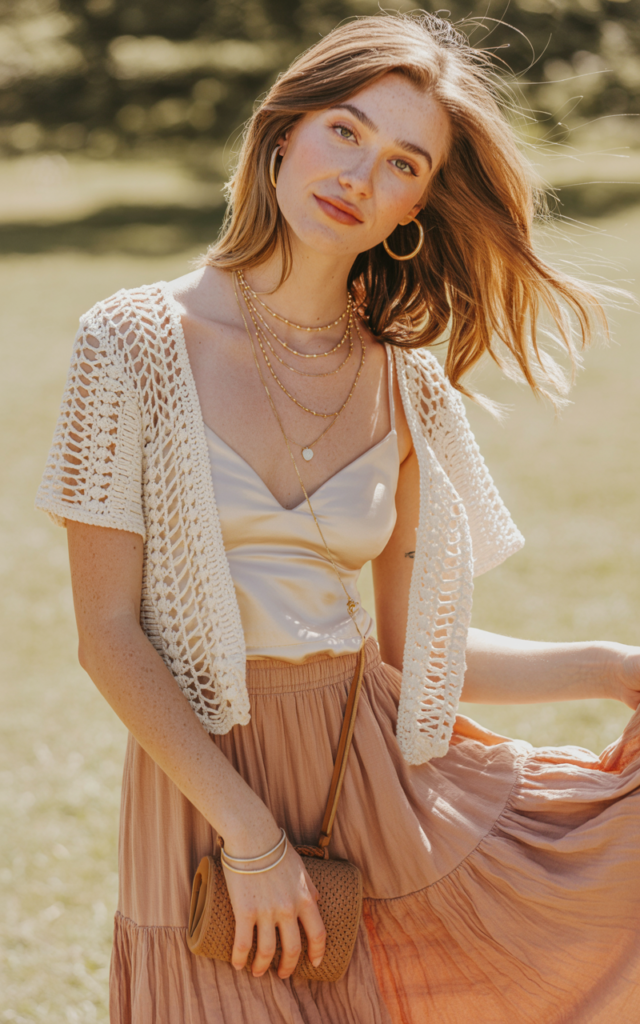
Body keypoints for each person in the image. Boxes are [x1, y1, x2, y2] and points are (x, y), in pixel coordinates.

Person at [36, 12, 640, 1024]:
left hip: (374, 782)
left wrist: (613, 666)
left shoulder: (407, 385)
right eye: (345, 131)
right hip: (203, 791)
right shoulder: (129, 344)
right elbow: (107, 635)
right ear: (285, 134)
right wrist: (250, 837)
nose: (359, 173)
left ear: (415, 205)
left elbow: (418, 662)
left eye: (402, 162)